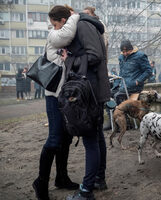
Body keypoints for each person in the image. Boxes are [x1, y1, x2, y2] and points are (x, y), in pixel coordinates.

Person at [60, 8, 110, 200]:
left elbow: (95, 55)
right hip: (91, 89)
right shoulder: (85, 25)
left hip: (90, 92)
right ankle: (98, 179)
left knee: (91, 140)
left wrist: (69, 59)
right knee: (96, 137)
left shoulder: (83, 25)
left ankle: (86, 191)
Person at [32, 6, 80, 200]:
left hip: (67, 96)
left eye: (54, 22)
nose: (51, 27)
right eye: (53, 24)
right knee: (54, 139)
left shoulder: (68, 34)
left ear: (62, 20)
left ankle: (61, 177)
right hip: (53, 96)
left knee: (66, 138)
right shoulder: (55, 35)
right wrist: (75, 17)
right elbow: (66, 36)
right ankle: (40, 182)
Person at [113, 40, 152, 105]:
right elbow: (121, 72)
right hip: (123, 87)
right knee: (108, 97)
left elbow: (148, 71)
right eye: (123, 52)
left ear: (131, 49)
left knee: (117, 98)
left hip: (134, 88)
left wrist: (138, 81)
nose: (125, 54)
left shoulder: (140, 56)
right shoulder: (121, 57)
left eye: (127, 51)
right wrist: (116, 84)